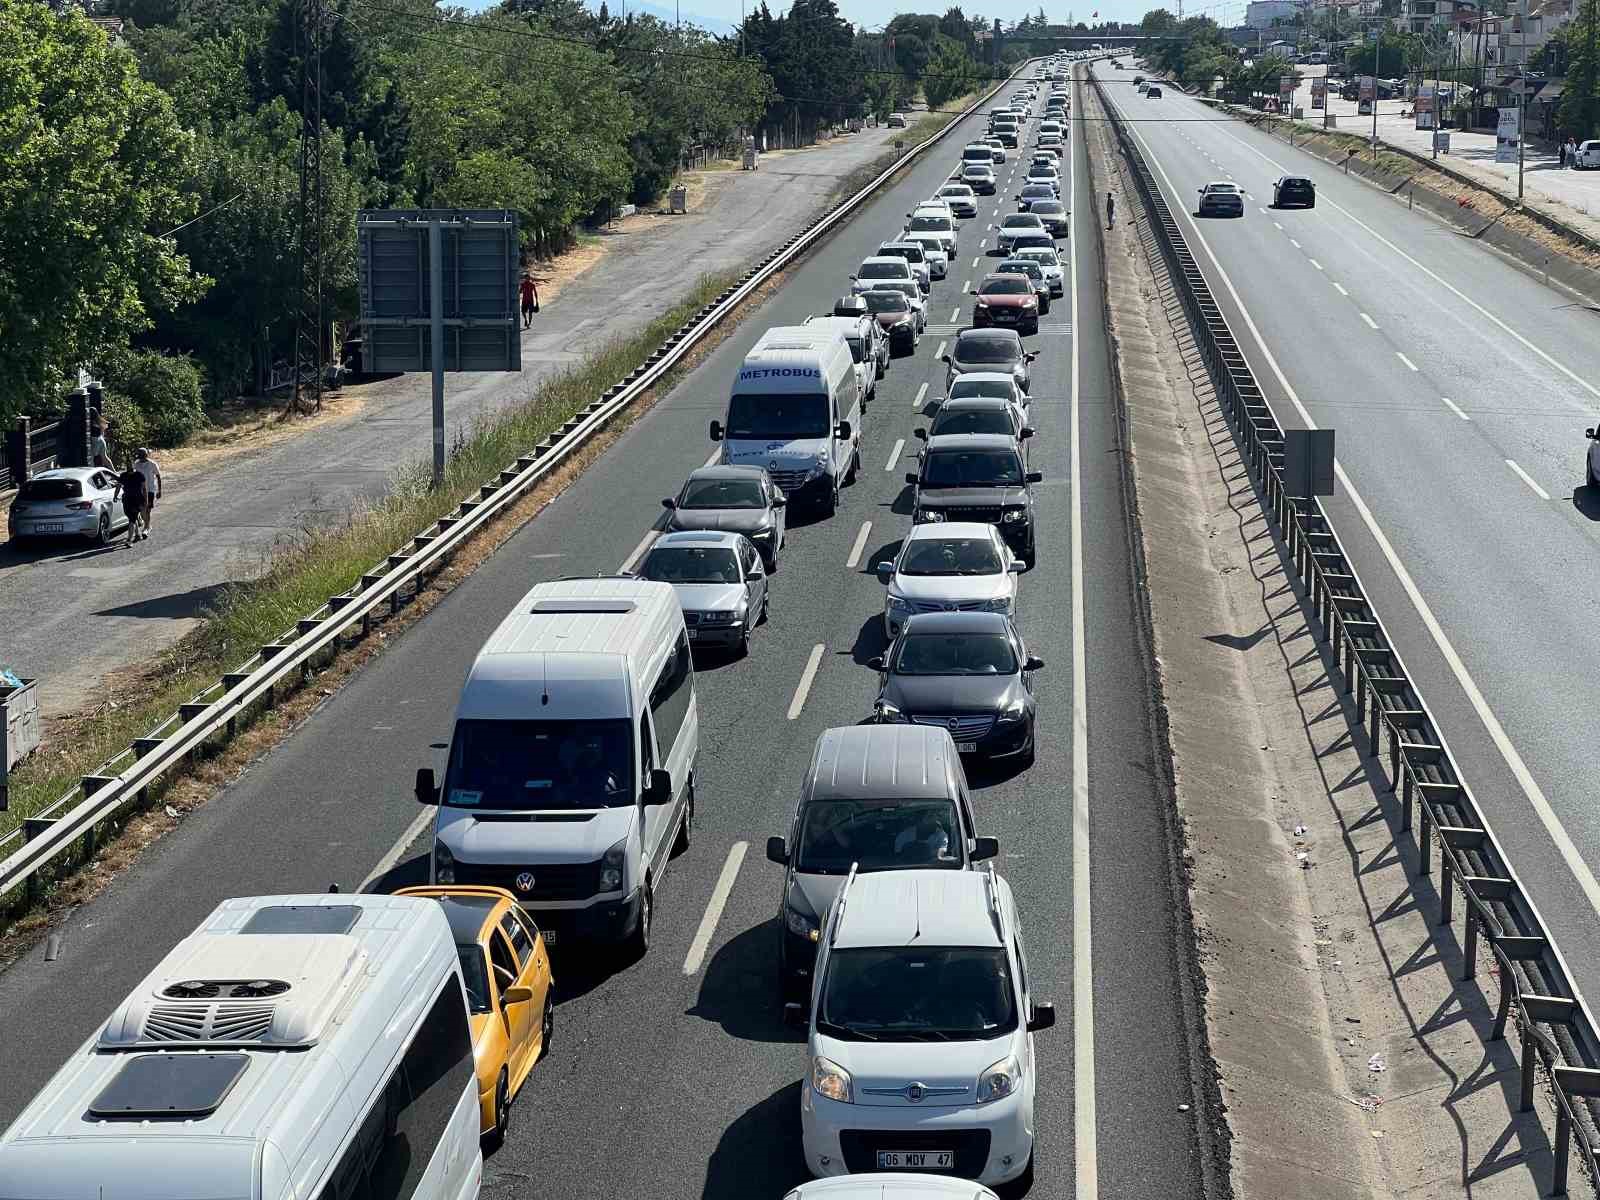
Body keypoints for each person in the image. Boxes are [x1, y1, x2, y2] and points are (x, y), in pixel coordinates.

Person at [115, 457, 148, 546]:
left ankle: (129, 540)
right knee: (132, 518)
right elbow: (118, 486)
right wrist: (115, 496)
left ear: (134, 465)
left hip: (137, 500)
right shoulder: (123, 475)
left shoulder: (139, 475)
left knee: (132, 520)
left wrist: (145, 500)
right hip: (127, 500)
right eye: (127, 464)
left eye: (131, 464)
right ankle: (137, 534)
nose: (129, 465)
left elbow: (144, 488)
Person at [134, 447, 162, 537]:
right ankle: (146, 524)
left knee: (148, 510)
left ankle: (146, 528)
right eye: (140, 455)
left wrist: (159, 490)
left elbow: (158, 476)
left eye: (143, 455)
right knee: (142, 511)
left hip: (150, 490)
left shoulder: (152, 464)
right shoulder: (136, 464)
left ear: (146, 455)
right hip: (139, 490)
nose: (141, 457)